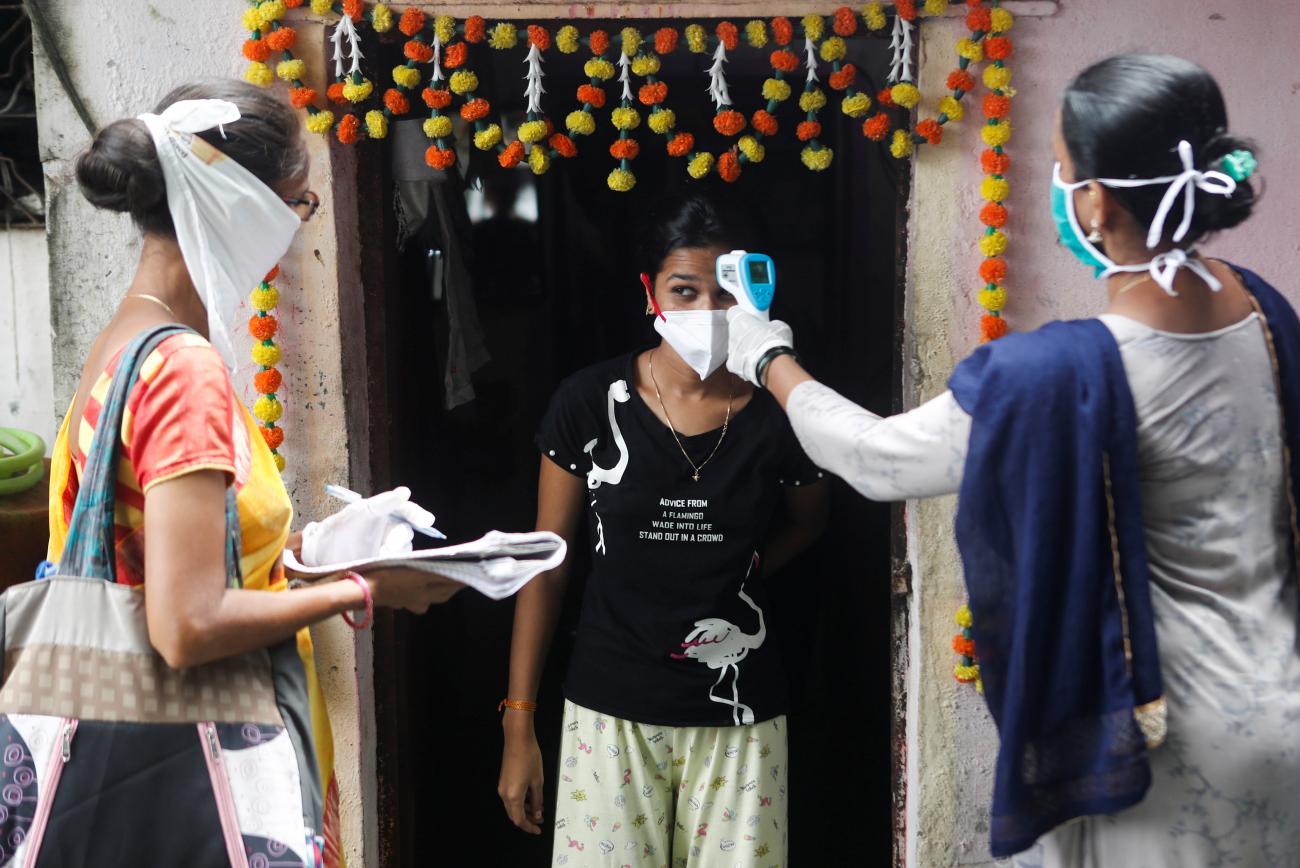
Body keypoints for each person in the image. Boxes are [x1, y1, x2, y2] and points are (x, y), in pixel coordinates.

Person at [728, 53, 1299, 867]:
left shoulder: (1052, 378)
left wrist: (766, 356)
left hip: (1153, 753)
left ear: (1093, 202)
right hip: (1279, 719)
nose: (1060, 189)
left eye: (1062, 171)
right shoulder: (1265, 312)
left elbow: (874, 459)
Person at [44, 80, 461, 863]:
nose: (296, 232)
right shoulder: (183, 370)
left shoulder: (126, 340)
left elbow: (170, 562)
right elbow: (186, 622)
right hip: (208, 785)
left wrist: (311, 550)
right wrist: (369, 588)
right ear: (243, 204)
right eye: (299, 206)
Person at [497, 192, 829, 866]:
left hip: (740, 719)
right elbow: (548, 562)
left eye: (725, 294)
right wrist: (519, 721)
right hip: (607, 710)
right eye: (685, 290)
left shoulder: (780, 411)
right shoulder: (589, 403)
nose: (707, 312)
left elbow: (809, 521)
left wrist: (739, 571)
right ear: (650, 293)